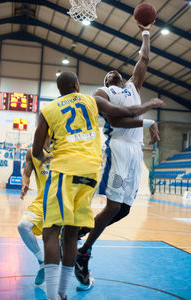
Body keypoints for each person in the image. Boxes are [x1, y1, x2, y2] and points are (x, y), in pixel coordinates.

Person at [32, 71, 164, 300]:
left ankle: (54, 295)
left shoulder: (49, 109)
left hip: (66, 169)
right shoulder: (92, 99)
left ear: (59, 89)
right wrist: (150, 107)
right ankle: (66, 285)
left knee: (52, 231)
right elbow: (122, 113)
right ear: (77, 84)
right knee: (74, 231)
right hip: (91, 171)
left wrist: (47, 159)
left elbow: (36, 151)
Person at [75, 22, 161, 287]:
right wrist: (148, 122)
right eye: (107, 74)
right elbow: (115, 121)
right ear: (106, 82)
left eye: (116, 72)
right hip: (119, 149)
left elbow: (144, 57)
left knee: (123, 211)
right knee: (112, 206)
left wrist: (146, 30)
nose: (112, 73)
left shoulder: (133, 86)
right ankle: (84, 253)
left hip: (135, 154)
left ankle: (80, 233)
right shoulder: (103, 92)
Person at [17, 135, 51, 285]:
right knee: (23, 226)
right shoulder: (33, 152)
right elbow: (26, 173)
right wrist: (25, 184)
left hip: (64, 202)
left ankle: (84, 272)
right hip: (42, 202)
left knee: (69, 246)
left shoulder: (65, 149)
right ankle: (42, 262)